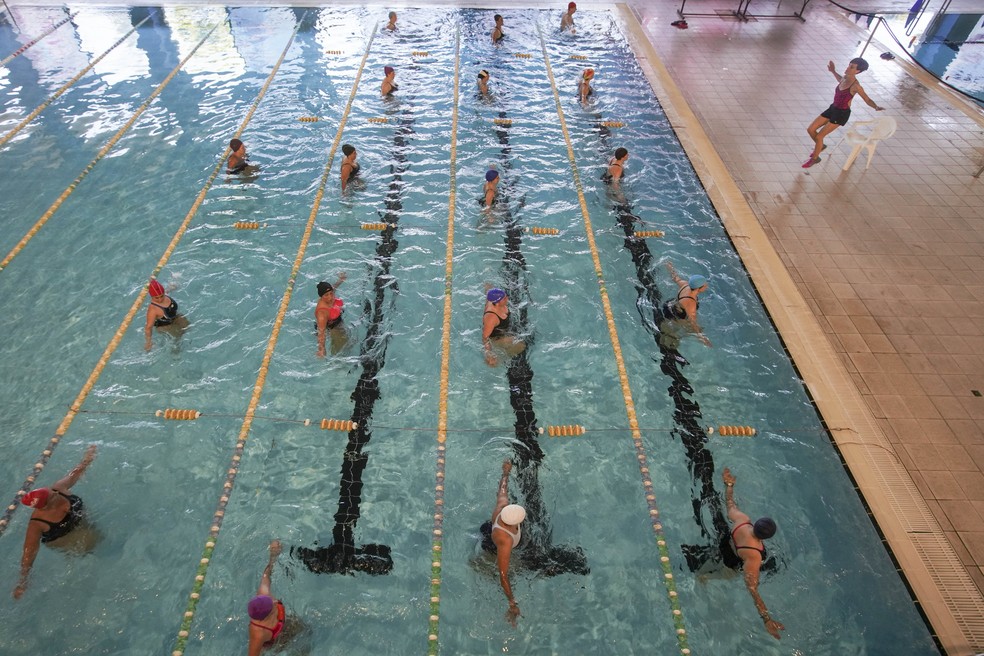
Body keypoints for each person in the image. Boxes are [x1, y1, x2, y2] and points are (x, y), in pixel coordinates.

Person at [14, 444, 97, 599]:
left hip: (81, 523)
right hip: (63, 538)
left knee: (99, 539)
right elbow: (29, 553)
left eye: (51, 490)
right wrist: (23, 581)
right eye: (52, 495)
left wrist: (87, 459)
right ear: (45, 506)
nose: (55, 492)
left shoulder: (59, 488)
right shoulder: (37, 523)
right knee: (93, 549)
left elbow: (75, 473)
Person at [722, 468, 784, 640]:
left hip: (726, 545)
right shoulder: (754, 556)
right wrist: (766, 618)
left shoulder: (742, 520)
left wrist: (729, 485)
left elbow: (730, 503)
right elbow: (752, 588)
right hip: (731, 563)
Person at [803, 58, 883, 168]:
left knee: (820, 136)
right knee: (811, 129)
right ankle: (820, 147)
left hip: (841, 114)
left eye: (852, 67)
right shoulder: (845, 78)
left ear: (857, 71)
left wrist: (876, 107)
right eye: (849, 65)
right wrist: (833, 71)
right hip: (833, 108)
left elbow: (867, 99)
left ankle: (815, 158)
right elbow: (840, 79)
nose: (848, 68)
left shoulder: (856, 86)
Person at [480, 459, 526, 626]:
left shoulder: (502, 506)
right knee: (512, 571)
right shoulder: (505, 541)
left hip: (492, 528)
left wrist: (506, 472)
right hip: (495, 545)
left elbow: (502, 489)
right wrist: (512, 603)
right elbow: (503, 575)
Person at [247, 539, 286, 655]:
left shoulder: (263, 592)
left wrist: (273, 555)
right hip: (278, 640)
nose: (275, 601)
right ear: (266, 616)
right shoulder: (258, 633)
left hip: (285, 622)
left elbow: (266, 574)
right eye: (272, 604)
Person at [661, 261, 711, 347]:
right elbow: (693, 322)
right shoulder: (691, 303)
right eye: (705, 285)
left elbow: (676, 278)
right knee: (690, 329)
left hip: (670, 304)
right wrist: (701, 337)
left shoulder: (685, 284)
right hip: (675, 314)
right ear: (698, 288)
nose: (707, 286)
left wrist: (670, 268)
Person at [482, 287, 525, 366]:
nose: (507, 298)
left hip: (504, 329)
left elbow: (488, 290)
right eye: (504, 298)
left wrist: (488, 287)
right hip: (497, 338)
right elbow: (485, 337)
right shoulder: (491, 317)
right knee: (521, 345)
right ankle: (504, 358)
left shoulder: (495, 302)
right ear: (497, 302)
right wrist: (489, 353)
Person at [144, 278, 187, 351]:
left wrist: (173, 285)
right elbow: (148, 327)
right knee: (177, 343)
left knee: (187, 330)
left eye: (161, 296)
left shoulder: (165, 295)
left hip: (176, 318)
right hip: (165, 326)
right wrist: (148, 342)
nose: (160, 299)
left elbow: (168, 290)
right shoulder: (153, 309)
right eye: (156, 298)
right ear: (152, 297)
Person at [315, 272, 348, 357]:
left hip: (336, 321)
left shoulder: (330, 295)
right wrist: (321, 348)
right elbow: (321, 331)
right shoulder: (322, 312)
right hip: (331, 327)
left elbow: (333, 288)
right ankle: (337, 364)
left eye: (331, 293)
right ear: (321, 296)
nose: (330, 297)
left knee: (348, 344)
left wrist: (340, 280)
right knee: (341, 349)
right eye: (326, 295)